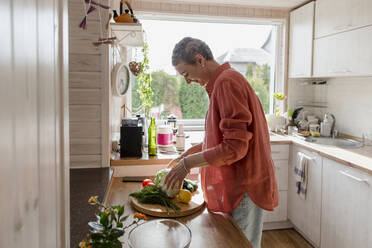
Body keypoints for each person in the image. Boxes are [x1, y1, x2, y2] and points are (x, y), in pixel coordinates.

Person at [164, 37, 278, 248]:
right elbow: (221, 139)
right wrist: (189, 154)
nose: (187, 82)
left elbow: (235, 147)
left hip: (244, 186)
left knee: (239, 245)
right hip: (240, 184)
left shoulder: (227, 82)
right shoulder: (224, 81)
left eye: (186, 74)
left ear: (200, 60)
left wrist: (188, 164)